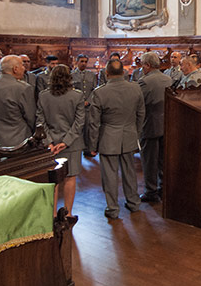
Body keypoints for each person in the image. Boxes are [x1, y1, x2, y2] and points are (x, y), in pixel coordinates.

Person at [89, 59, 145, 219]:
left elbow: (93, 123)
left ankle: (113, 208)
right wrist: (136, 133)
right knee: (130, 172)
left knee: (109, 175)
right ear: (123, 72)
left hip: (108, 137)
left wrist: (92, 144)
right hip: (129, 134)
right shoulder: (135, 88)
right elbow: (141, 114)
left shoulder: (100, 92)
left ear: (106, 74)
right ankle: (134, 203)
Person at [36, 64, 85, 217]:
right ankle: (68, 213)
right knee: (70, 177)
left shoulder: (43, 95)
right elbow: (79, 122)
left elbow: (40, 121)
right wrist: (66, 142)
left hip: (51, 145)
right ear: (69, 77)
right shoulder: (77, 95)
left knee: (53, 180)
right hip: (72, 143)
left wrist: (49, 142)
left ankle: (53, 214)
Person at [137, 52, 173, 202]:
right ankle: (164, 188)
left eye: (142, 65)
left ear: (147, 65)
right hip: (166, 124)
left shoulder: (145, 82)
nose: (141, 68)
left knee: (149, 161)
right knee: (163, 160)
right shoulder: (168, 79)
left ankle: (150, 191)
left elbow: (139, 103)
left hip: (149, 125)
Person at [0, 55, 36, 147]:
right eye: (22, 65)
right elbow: (31, 117)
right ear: (15, 69)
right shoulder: (23, 88)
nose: (24, 69)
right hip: (18, 141)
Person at [71, 54, 97, 157]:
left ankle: (87, 148)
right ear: (77, 62)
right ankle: (76, 149)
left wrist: (88, 101)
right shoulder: (72, 75)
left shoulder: (91, 74)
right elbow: (71, 90)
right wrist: (80, 101)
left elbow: (94, 89)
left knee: (88, 128)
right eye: (82, 61)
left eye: (86, 61)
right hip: (76, 106)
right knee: (77, 127)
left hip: (87, 106)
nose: (84, 63)